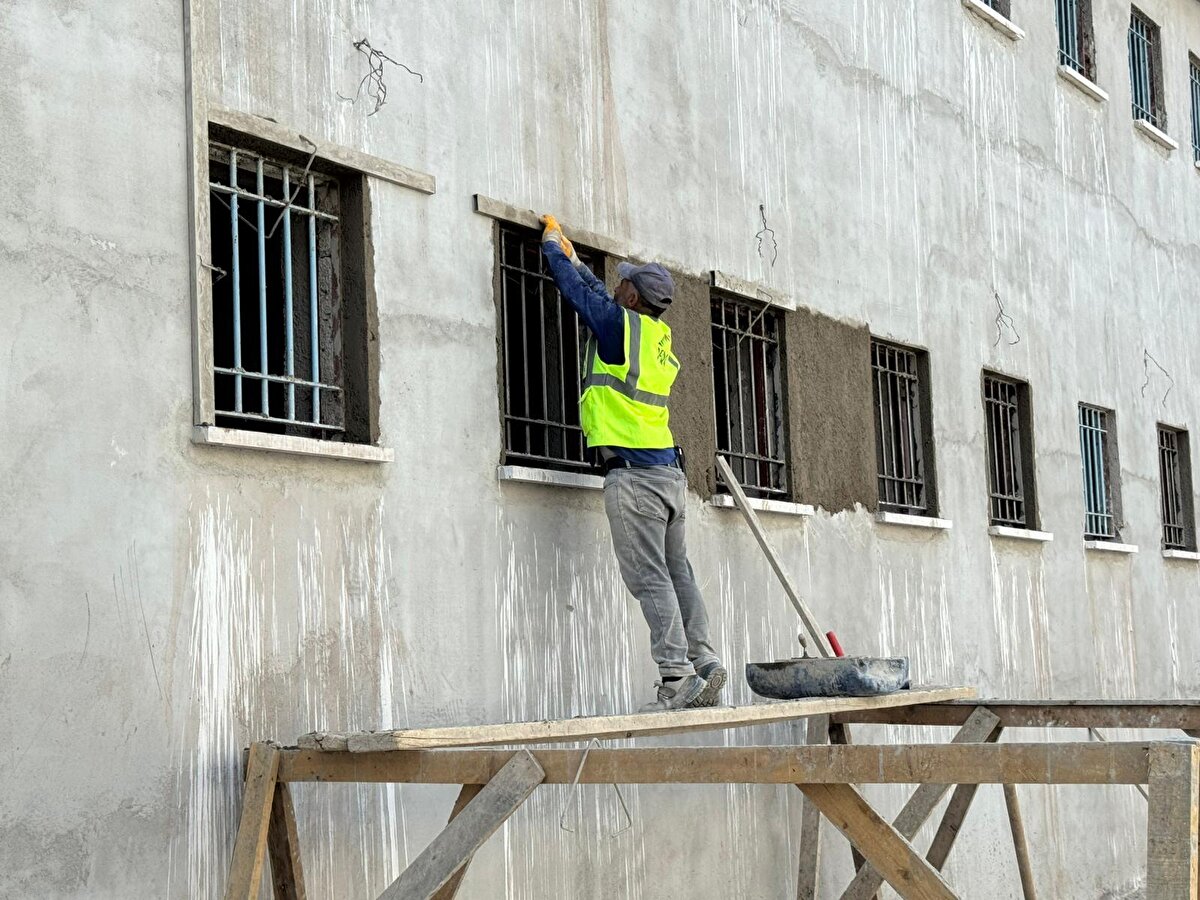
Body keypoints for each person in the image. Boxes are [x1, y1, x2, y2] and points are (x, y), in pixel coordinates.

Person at [538, 213, 726, 712]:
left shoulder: (618, 326)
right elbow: (599, 294)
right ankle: (704, 663)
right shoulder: (653, 336)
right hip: (668, 474)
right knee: (677, 570)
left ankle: (675, 677)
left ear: (633, 297)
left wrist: (555, 249)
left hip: (635, 478)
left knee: (649, 577)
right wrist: (580, 259)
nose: (616, 286)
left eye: (623, 283)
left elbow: (581, 296)